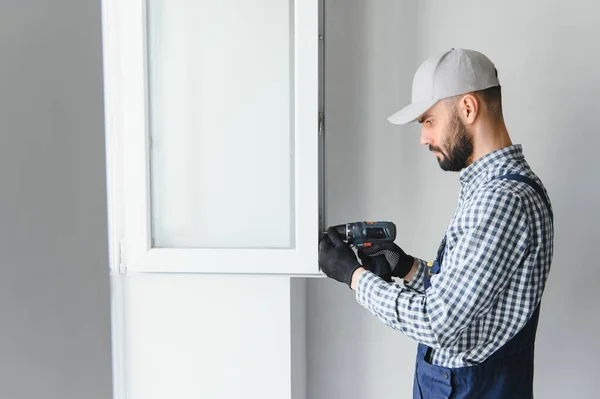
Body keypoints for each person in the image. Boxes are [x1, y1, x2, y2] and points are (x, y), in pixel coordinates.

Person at [318, 48, 554, 398]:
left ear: (468, 108)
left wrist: (354, 276)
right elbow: (470, 303)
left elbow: (438, 323)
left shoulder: (501, 199)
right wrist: (407, 267)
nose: (424, 138)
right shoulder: (493, 188)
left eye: (429, 121)